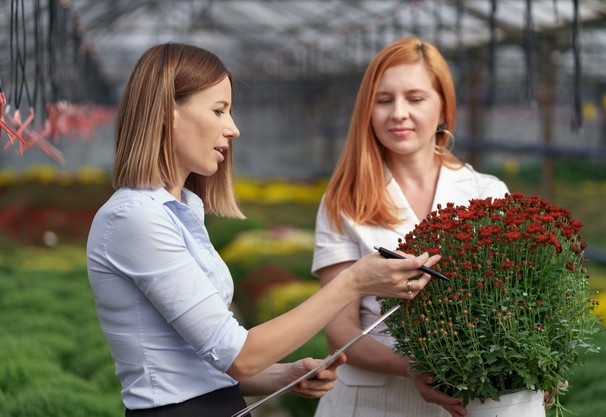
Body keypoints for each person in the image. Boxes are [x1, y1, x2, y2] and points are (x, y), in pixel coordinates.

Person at [86, 42, 442, 417]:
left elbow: (201, 365)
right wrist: (353, 282)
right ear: (167, 112)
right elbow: (238, 356)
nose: (233, 129)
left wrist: (282, 375)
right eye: (219, 110)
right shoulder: (135, 218)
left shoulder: (181, 210)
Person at [312, 37, 510, 417]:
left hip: (471, 402)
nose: (398, 113)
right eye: (384, 100)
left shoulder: (487, 192)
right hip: (368, 404)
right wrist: (414, 368)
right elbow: (340, 330)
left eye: (415, 99)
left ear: (442, 108)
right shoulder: (345, 200)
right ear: (367, 110)